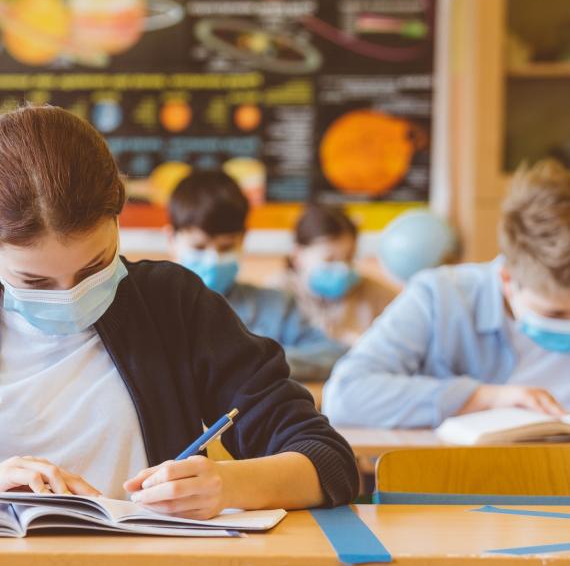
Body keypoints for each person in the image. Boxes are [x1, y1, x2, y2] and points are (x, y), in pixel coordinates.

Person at [0, 105, 358, 520]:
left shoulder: (172, 303)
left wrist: (228, 484)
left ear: (118, 219)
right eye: (36, 283)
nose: (71, 295)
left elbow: (329, 461)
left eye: (94, 267)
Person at [323, 159, 570, 428]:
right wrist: (484, 398)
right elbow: (345, 397)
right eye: (555, 313)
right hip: (467, 469)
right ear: (507, 278)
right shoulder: (440, 297)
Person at [166, 172, 347, 382]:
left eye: (226, 247)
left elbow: (334, 354)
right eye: (199, 246)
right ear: (171, 239)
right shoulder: (149, 309)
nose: (212, 259)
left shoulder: (276, 305)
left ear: (243, 240)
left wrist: (259, 359)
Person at [272, 205, 396, 346]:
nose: (342, 268)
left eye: (349, 258)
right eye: (329, 259)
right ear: (297, 255)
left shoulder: (377, 294)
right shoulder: (275, 296)